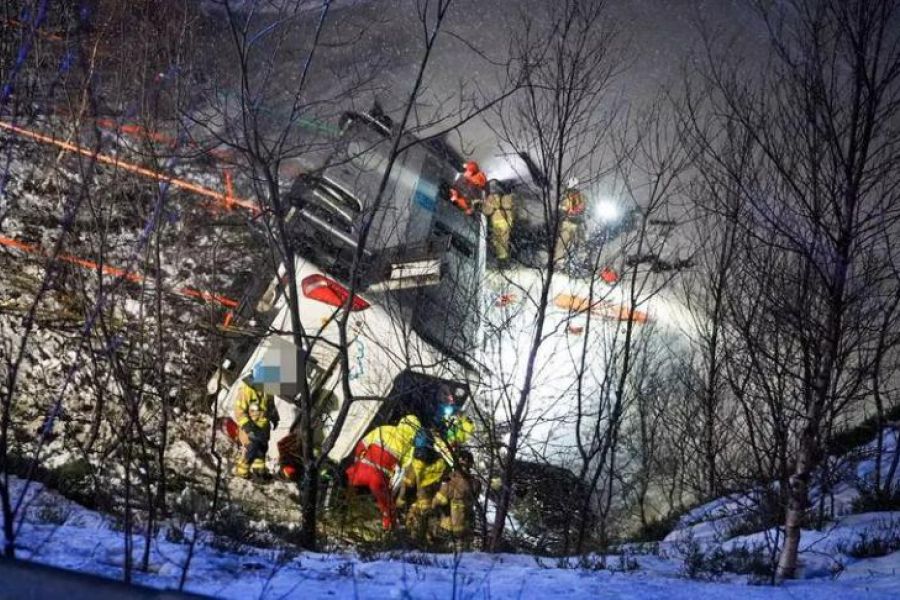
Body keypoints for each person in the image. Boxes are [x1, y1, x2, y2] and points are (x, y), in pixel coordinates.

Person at [345, 414, 422, 530]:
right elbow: (402, 471)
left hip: (361, 470)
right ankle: (389, 527)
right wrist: (391, 491)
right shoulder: (409, 447)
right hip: (379, 478)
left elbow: (362, 445)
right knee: (387, 506)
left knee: (347, 485)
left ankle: (341, 509)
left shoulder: (384, 429)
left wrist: (357, 462)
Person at [233, 366, 279, 481]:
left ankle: (259, 471)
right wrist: (249, 427)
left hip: (263, 427)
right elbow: (239, 410)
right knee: (251, 449)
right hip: (251, 427)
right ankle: (241, 472)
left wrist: (274, 418)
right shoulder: (246, 390)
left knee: (262, 449)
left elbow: (270, 405)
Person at [431, 450, 481, 548]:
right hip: (468, 528)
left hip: (451, 529)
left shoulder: (451, 484)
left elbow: (435, 503)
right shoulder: (476, 483)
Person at [554, 177, 587, 266]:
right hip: (569, 222)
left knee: (580, 242)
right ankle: (559, 260)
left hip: (577, 223)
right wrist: (564, 210)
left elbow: (585, 207)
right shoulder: (566, 197)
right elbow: (561, 208)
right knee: (563, 241)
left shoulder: (581, 197)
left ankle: (582, 259)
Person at [482, 180, 515, 265]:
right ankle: (506, 190)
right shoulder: (499, 241)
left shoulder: (496, 242)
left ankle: (502, 190)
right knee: (504, 207)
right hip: (501, 221)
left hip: (499, 221)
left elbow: (495, 234)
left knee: (496, 207)